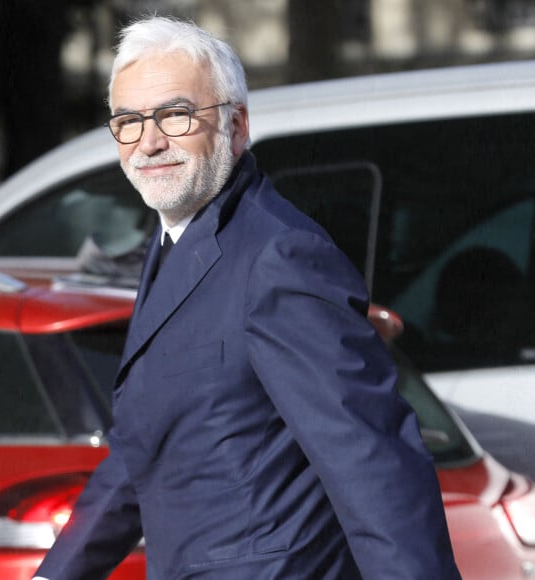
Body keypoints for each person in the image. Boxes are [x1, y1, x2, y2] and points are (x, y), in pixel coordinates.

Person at [34, 15, 461, 580]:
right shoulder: (176, 241)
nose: (149, 142)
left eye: (176, 114)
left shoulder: (278, 257)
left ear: (236, 125)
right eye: (129, 121)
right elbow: (144, 447)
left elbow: (371, 461)